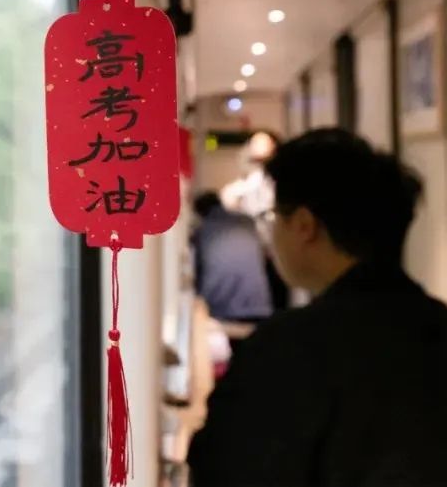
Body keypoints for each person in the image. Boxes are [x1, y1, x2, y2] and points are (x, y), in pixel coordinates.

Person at [187, 129, 447, 487]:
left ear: (304, 226)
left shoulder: (286, 349)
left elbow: (220, 469)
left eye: (274, 217)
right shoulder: (437, 328)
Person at [220, 130, 290, 312]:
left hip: (275, 246)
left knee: (278, 295)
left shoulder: (277, 180)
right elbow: (229, 199)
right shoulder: (249, 180)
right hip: (253, 247)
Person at [190, 191, 273, 326]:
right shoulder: (247, 221)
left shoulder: (202, 231)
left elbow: (196, 270)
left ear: (200, 212)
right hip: (258, 303)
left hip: (221, 308)